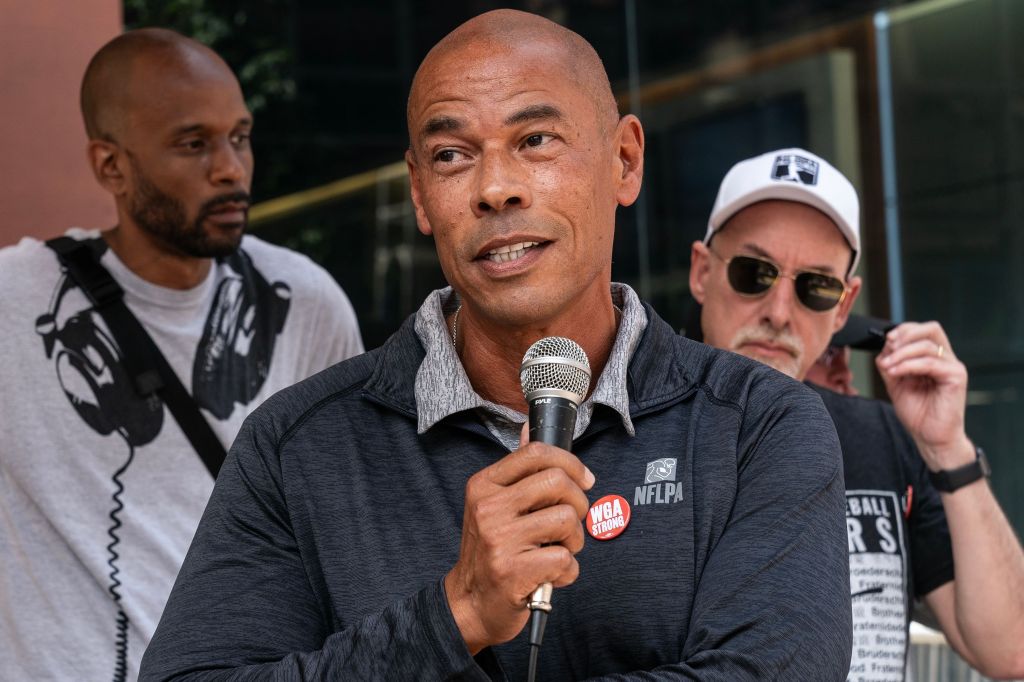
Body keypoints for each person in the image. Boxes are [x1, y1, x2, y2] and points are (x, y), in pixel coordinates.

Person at [141, 11, 851, 681]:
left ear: (624, 161)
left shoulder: (757, 427)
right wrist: (453, 614)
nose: (496, 188)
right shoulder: (298, 448)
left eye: (535, 140)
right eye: (452, 154)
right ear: (420, 195)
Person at [0, 29, 363, 681]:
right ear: (111, 166)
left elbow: (344, 534)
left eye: (240, 137)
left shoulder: (307, 304)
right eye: (194, 144)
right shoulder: (12, 302)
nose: (230, 169)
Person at [689, 147, 1024, 679]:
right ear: (703, 272)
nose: (778, 312)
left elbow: (1013, 649)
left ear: (843, 306)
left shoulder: (882, 437)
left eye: (815, 287)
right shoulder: (636, 431)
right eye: (755, 272)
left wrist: (947, 448)